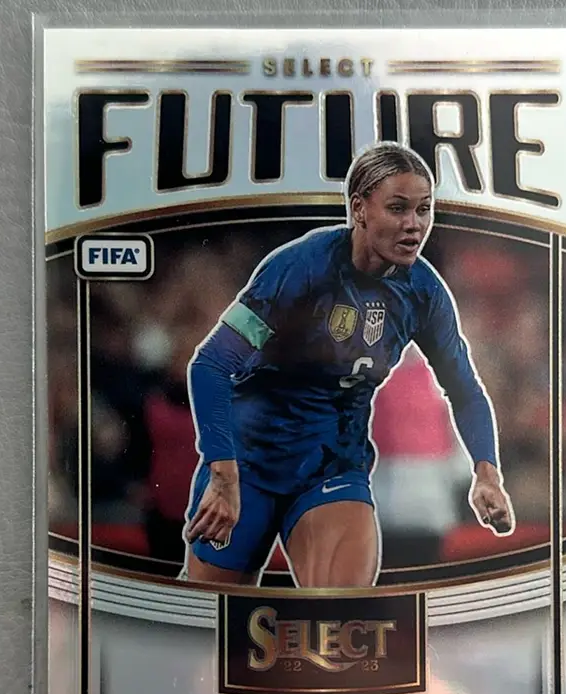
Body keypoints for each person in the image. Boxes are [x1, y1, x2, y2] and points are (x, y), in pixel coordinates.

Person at [181, 141, 514, 587]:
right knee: (212, 618)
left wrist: (487, 472)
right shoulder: (299, 268)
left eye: (424, 209)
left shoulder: (424, 293)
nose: (414, 224)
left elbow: (465, 389)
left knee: (342, 615)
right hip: (247, 466)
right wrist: (222, 474)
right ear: (359, 209)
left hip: (332, 467)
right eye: (398, 208)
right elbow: (211, 364)